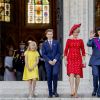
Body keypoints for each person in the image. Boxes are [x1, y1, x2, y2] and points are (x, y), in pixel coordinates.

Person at [64, 24, 86, 98]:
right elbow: (66, 50)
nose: (76, 34)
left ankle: (76, 92)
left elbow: (83, 51)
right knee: (71, 73)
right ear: (72, 32)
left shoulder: (81, 41)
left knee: (78, 76)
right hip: (70, 59)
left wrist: (84, 60)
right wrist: (65, 60)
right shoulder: (69, 40)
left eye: (77, 32)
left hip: (78, 59)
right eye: (75, 32)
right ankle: (72, 90)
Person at [42, 29, 61, 98]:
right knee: (49, 76)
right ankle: (50, 92)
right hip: (48, 62)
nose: (50, 35)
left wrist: (55, 60)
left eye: (51, 34)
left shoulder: (57, 42)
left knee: (55, 74)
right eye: (48, 34)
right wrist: (49, 60)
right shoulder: (44, 44)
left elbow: (59, 52)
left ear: (52, 35)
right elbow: (43, 54)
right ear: (46, 35)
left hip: (56, 62)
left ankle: (55, 91)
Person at [87, 28, 100, 97]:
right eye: (99, 31)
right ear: (98, 32)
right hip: (95, 61)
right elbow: (88, 44)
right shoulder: (95, 40)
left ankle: (99, 92)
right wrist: (90, 38)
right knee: (95, 75)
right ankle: (95, 88)